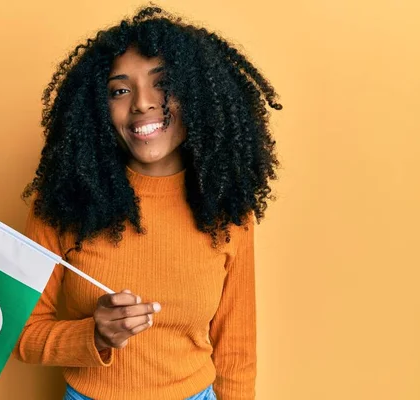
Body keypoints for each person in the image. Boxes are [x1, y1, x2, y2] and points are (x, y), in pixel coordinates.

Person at [15, 5, 282, 400]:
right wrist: (94, 334)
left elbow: (236, 351)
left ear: (198, 92)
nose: (142, 103)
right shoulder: (63, 203)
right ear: (96, 108)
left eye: (162, 83)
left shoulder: (227, 208)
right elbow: (20, 333)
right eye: (120, 90)